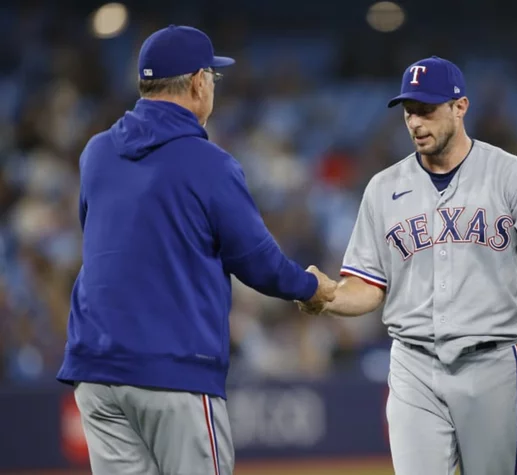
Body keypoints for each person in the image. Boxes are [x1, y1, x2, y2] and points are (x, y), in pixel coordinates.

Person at [55, 25, 337, 475]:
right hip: (173, 371)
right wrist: (310, 288)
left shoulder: (96, 153)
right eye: (212, 77)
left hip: (96, 371)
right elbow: (258, 263)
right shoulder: (210, 164)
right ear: (196, 82)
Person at [299, 56, 517, 475]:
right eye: (410, 112)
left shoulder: (512, 176)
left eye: (427, 110)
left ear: (460, 107)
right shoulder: (382, 189)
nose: (415, 122)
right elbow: (369, 288)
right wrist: (327, 298)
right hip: (413, 364)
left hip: (492, 362)